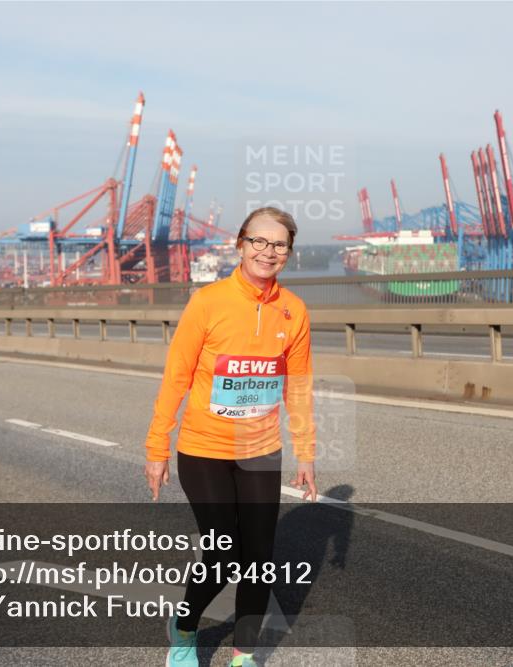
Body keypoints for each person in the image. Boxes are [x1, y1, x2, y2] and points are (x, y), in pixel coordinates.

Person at [144, 207, 317, 667]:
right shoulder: (208, 302)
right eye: (258, 241)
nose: (268, 251)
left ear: (288, 254)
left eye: (279, 244)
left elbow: (297, 385)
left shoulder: (293, 310)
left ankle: (243, 655)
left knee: (259, 559)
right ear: (240, 244)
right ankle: (184, 629)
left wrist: (306, 452)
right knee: (224, 554)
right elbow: (175, 378)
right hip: (203, 449)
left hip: (260, 449)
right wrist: (156, 448)